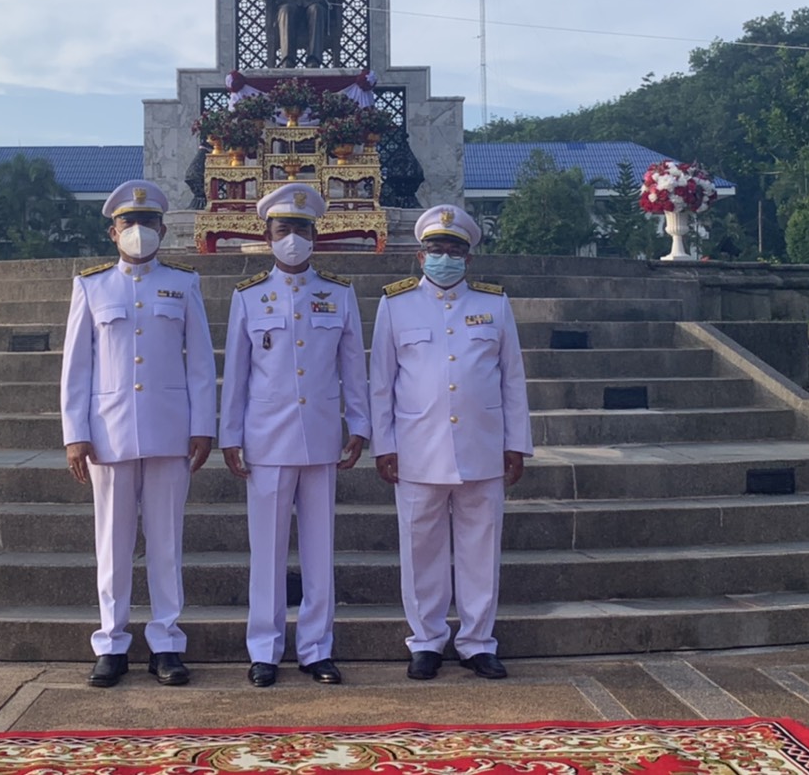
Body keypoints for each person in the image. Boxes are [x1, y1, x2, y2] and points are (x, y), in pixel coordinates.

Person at [60, 179, 217, 688]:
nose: (139, 231)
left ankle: (167, 641)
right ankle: (112, 640)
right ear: (113, 231)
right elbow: (76, 367)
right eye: (130, 223)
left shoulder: (183, 284)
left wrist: (203, 426)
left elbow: (200, 363)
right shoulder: (91, 286)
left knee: (167, 540)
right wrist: (75, 433)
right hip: (109, 432)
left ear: (164, 230)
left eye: (148, 223)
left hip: (171, 429)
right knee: (113, 539)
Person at [368, 204, 532, 681]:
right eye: (436, 249)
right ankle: (426, 640)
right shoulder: (395, 304)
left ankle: (478, 640)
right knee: (421, 549)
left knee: (481, 546)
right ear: (420, 257)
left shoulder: (494, 304)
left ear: (469, 258)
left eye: (454, 250)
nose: (444, 257)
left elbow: (512, 380)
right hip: (418, 445)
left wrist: (516, 444)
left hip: (483, 444)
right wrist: (385, 444)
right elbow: (382, 381)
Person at [219, 184, 371, 687]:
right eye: (284, 230)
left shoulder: (339, 293)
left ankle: (315, 648)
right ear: (267, 236)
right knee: (266, 550)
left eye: (302, 230)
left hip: (323, 435)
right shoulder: (248, 296)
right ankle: (264, 648)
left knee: (319, 548)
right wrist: (230, 435)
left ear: (316, 235)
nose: (293, 239)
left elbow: (354, 367)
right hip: (266, 438)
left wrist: (360, 425)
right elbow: (237, 375)